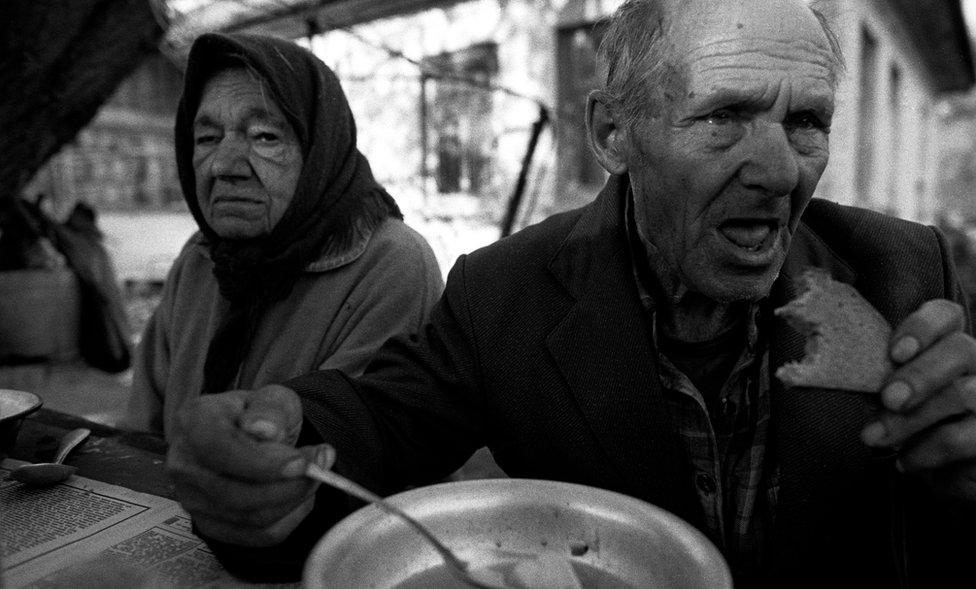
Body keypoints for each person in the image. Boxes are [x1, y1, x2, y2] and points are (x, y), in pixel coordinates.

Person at [167, 2, 976, 587]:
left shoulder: (909, 276)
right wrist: (264, 452)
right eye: (725, 114)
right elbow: (376, 421)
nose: (779, 169)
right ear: (613, 133)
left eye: (807, 121)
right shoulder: (504, 294)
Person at [126, 33, 443, 437]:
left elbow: (338, 455)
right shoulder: (201, 259)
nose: (223, 166)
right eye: (206, 138)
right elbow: (141, 432)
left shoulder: (392, 265)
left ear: (320, 153)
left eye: (264, 137)